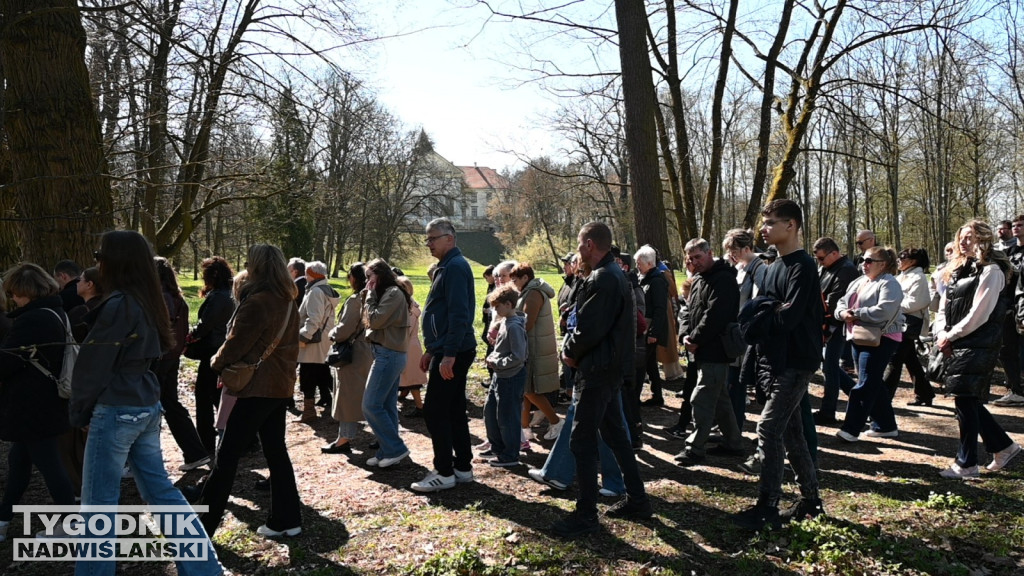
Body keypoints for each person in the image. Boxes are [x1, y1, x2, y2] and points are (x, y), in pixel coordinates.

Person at [70, 231, 222, 575]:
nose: (96, 262)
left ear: (114, 261)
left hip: (118, 410)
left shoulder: (120, 304)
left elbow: (92, 367)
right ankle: (205, 569)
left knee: (98, 507)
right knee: (162, 494)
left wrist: (80, 411)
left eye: (99, 255)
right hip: (145, 407)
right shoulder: (149, 299)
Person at [197, 243, 302, 538]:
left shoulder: (258, 301)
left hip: (256, 387)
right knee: (275, 452)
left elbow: (235, 344)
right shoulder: (287, 299)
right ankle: (286, 518)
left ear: (253, 266)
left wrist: (216, 363)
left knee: (226, 456)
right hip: (279, 386)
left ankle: (203, 527)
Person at [730, 199, 823, 531]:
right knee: (793, 433)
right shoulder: (775, 265)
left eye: (771, 223)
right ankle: (811, 502)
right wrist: (768, 306)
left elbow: (789, 317)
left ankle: (767, 506)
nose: (764, 228)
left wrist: (764, 312)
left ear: (792, 226)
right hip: (774, 359)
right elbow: (766, 294)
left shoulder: (803, 266)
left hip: (797, 361)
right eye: (763, 222)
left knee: (768, 429)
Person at [554, 221, 651, 538]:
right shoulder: (611, 275)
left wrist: (569, 351)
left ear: (590, 244)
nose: (578, 250)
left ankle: (586, 515)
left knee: (581, 441)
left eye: (580, 244)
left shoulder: (604, 278)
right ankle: (638, 500)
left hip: (597, 371)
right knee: (616, 437)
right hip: (607, 369)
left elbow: (589, 329)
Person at [934, 220, 1022, 478]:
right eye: (961, 236)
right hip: (954, 340)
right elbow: (944, 305)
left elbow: (979, 314)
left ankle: (967, 463)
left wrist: (951, 335)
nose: (963, 241)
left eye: (970, 236)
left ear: (983, 239)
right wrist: (941, 332)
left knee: (965, 398)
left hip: (979, 341)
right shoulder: (959, 268)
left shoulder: (992, 270)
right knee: (968, 399)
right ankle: (1004, 447)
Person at [0, 263, 77, 542]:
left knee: (49, 464)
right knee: (19, 461)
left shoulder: (33, 320)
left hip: (32, 405)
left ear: (26, 292)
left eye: (15, 294)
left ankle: (69, 522)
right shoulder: (54, 312)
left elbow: (6, 362)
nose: (13, 299)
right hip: (42, 402)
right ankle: (3, 517)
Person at [411, 218, 477, 493]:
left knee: (436, 410)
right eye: (427, 239)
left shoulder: (455, 267)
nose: (428, 243)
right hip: (448, 348)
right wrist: (432, 349)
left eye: (433, 238)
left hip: (455, 350)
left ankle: (444, 471)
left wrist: (447, 354)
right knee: (452, 409)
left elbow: (460, 315)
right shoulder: (446, 267)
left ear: (450, 238)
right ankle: (462, 467)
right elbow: (440, 313)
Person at [674, 238, 744, 465]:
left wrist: (695, 338)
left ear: (710, 253)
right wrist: (685, 334)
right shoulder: (700, 278)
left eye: (698, 257)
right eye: (690, 258)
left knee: (701, 398)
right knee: (720, 397)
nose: (694, 261)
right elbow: (689, 310)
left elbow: (715, 315)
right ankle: (733, 443)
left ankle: (695, 448)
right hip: (702, 349)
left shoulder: (723, 279)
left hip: (716, 349)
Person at [833, 246, 905, 443]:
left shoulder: (889, 283)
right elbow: (841, 302)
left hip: (882, 338)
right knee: (873, 382)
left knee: (865, 384)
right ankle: (885, 425)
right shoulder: (859, 281)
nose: (864, 264)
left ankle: (851, 429)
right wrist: (842, 313)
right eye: (863, 260)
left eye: (869, 261)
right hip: (858, 336)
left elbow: (884, 311)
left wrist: (855, 314)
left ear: (882, 264)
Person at [154, 257, 210, 471]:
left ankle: (148, 459)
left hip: (159, 358)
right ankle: (195, 452)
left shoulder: (160, 298)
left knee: (153, 407)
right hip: (172, 356)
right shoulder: (178, 298)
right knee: (170, 404)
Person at [361, 259, 412, 468]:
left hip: (389, 355)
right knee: (386, 405)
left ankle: (396, 448)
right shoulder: (388, 293)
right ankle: (386, 451)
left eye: (369, 276)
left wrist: (370, 296)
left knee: (370, 404)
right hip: (386, 353)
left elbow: (374, 320)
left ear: (380, 275)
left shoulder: (392, 293)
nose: (367, 282)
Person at [509, 263, 564, 442]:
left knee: (529, 390)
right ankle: (524, 430)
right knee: (525, 390)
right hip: (531, 346)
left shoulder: (533, 294)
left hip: (534, 348)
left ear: (525, 278)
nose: (513, 283)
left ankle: (556, 422)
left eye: (515, 279)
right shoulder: (529, 292)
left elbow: (527, 323)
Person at [187, 257, 235, 454]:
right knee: (217, 396)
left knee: (205, 397)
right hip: (220, 351)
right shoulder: (228, 294)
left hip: (212, 353)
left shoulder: (219, 297)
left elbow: (205, 326)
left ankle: (205, 442)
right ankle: (243, 438)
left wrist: (190, 335)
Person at [722, 228, 768, 430]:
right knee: (732, 385)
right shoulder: (740, 267)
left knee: (738, 385)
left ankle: (736, 430)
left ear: (747, 248)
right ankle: (732, 428)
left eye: (735, 250)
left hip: (746, 337)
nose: (732, 254)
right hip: (735, 334)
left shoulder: (759, 269)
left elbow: (757, 304)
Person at [323, 264, 371, 453]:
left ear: (354, 278)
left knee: (347, 397)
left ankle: (343, 440)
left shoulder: (355, 300)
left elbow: (344, 329)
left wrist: (332, 333)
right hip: (364, 351)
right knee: (363, 397)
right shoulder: (370, 298)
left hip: (352, 355)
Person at [812, 237, 861, 424]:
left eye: (822, 258)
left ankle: (828, 411)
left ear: (834, 253)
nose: (820, 262)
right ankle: (860, 397)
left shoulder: (846, 270)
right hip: (827, 323)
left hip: (836, 325)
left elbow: (833, 302)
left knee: (831, 368)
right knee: (830, 366)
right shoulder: (826, 268)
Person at [483, 285, 528, 467]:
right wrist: (494, 357)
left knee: (507, 417)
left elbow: (519, 356)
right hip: (500, 376)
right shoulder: (505, 323)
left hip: (511, 377)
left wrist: (497, 363)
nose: (495, 310)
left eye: (497, 306)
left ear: (509, 304)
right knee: (490, 411)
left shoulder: (514, 327)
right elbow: (503, 349)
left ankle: (510, 454)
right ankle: (498, 447)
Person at [883, 248, 934, 405]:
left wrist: (894, 305)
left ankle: (882, 400)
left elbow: (918, 302)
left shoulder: (918, 277)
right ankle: (925, 393)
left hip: (908, 323)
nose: (899, 260)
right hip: (899, 320)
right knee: (910, 360)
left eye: (902, 257)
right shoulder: (902, 276)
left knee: (895, 359)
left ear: (913, 261)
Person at [296, 261, 338, 422]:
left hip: (313, 341)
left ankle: (309, 412)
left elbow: (314, 319)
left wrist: (303, 337)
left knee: (308, 375)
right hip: (323, 339)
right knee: (322, 374)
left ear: (313, 275)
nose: (305, 276)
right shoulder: (323, 289)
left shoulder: (315, 292)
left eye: (307, 273)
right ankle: (342, 404)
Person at [635, 245, 669, 407]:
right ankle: (657, 395)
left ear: (649, 263)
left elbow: (660, 309)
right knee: (649, 364)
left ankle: (638, 395)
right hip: (645, 328)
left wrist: (654, 332)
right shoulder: (645, 278)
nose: (637, 267)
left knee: (643, 364)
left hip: (651, 329)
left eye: (639, 263)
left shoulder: (657, 281)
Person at [397, 276, 427, 417]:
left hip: (406, 345)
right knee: (409, 378)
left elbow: (404, 330)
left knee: (411, 379)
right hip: (411, 345)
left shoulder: (406, 308)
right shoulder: (411, 305)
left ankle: (420, 407)